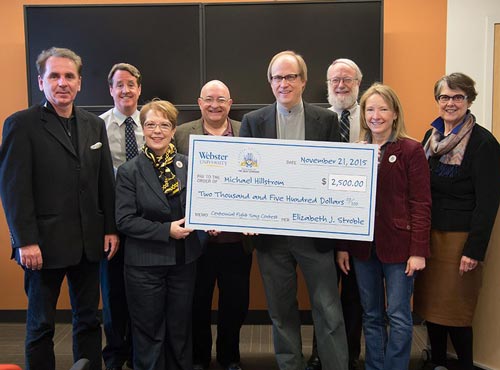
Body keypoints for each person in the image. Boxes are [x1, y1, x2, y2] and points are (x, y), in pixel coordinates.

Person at [0, 47, 118, 370]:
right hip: (42, 247)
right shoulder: (20, 125)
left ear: (80, 83)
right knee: (41, 326)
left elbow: (104, 181)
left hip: (88, 244)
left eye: (69, 76)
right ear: (41, 82)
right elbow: (13, 189)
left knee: (89, 320)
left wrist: (109, 228)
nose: (62, 83)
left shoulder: (94, 125)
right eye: (54, 76)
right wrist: (24, 241)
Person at [240, 50, 348, 370]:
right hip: (272, 238)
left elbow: (335, 177)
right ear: (269, 82)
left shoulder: (327, 120)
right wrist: (243, 215)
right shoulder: (253, 121)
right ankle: (290, 366)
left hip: (315, 234)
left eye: (290, 77)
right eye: (277, 77)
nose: (283, 83)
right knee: (281, 311)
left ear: (302, 81)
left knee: (328, 310)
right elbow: (246, 179)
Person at [337, 83, 431, 370]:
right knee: (371, 315)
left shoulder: (411, 150)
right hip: (363, 249)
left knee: (400, 315)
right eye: (370, 109)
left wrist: (418, 251)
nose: (375, 115)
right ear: (363, 114)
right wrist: (342, 246)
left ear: (394, 113)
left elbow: (421, 203)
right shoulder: (356, 151)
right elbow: (344, 203)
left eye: (383, 109)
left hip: (400, 248)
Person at [413, 73, 500, 370]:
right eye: (445, 97)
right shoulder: (431, 138)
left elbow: (488, 202)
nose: (450, 103)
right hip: (429, 236)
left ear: (469, 100)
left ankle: (463, 365)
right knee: (432, 307)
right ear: (437, 101)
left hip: (459, 240)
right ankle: (438, 361)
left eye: (458, 97)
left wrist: (474, 250)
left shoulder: (483, 143)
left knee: (457, 311)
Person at [115, 99, 203, 370]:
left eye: (164, 125)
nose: (157, 131)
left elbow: (201, 205)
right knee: (149, 332)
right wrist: (167, 231)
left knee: (179, 330)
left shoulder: (188, 164)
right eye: (150, 124)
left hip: (183, 263)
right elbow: (125, 220)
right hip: (145, 266)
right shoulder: (129, 171)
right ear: (143, 128)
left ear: (174, 129)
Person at [175, 80, 253, 370]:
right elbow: (175, 185)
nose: (215, 105)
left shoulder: (248, 130)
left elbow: (258, 180)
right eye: (209, 99)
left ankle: (229, 357)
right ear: (199, 103)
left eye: (221, 99)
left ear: (230, 104)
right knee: (197, 302)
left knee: (236, 304)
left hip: (237, 241)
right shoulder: (182, 134)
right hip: (196, 242)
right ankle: (199, 358)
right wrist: (199, 217)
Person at [307, 58, 363, 370]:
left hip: (357, 222)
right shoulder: (318, 120)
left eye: (347, 80)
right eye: (334, 81)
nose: (340, 86)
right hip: (323, 222)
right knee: (322, 294)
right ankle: (319, 354)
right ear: (327, 85)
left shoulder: (371, 118)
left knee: (354, 295)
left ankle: (351, 354)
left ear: (359, 83)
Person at [100, 63, 144, 370]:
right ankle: (115, 354)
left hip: (147, 224)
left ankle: (141, 352)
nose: (125, 90)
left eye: (130, 84)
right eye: (119, 84)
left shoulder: (154, 123)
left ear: (139, 88)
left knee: (144, 294)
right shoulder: (95, 126)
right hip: (113, 225)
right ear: (111, 90)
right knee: (113, 293)